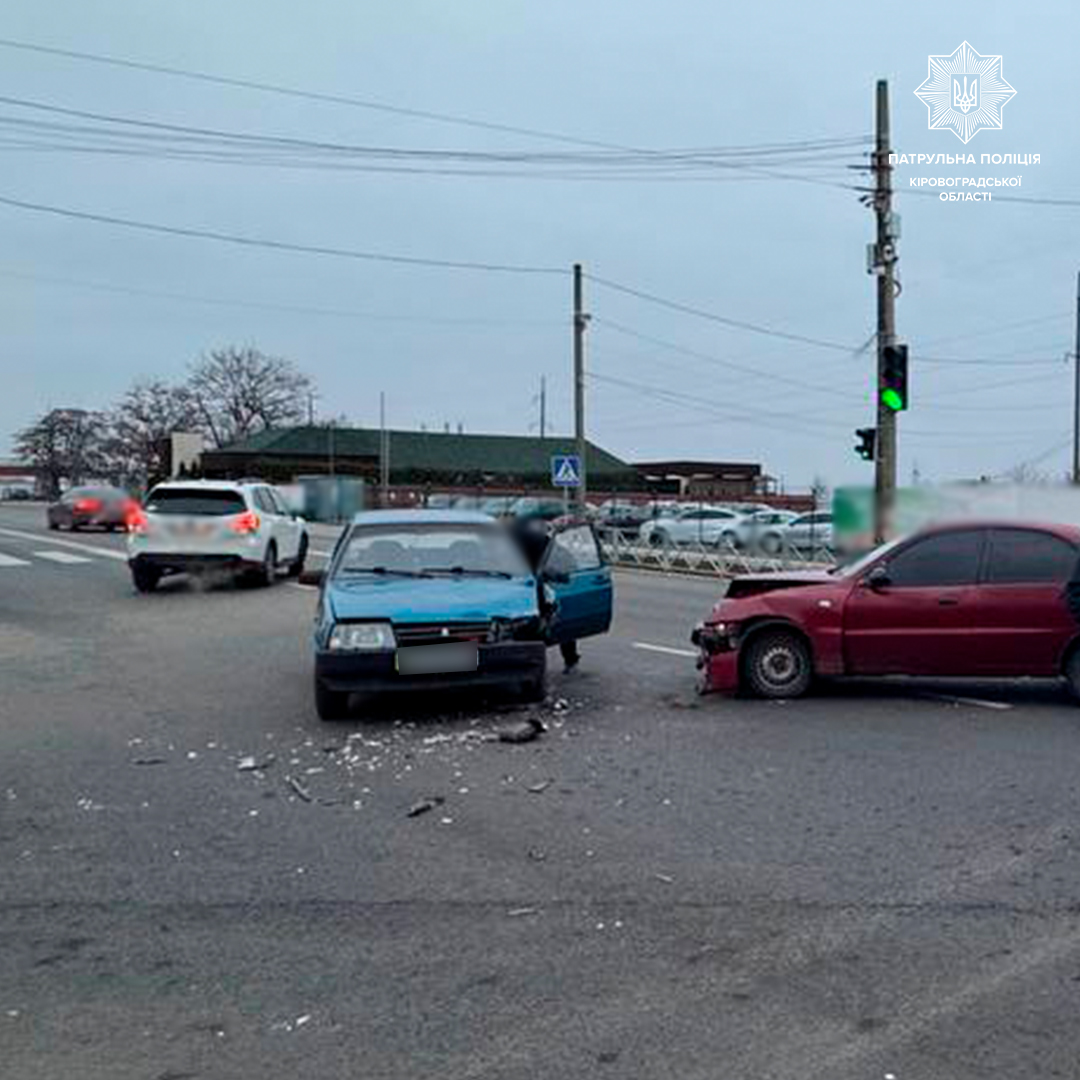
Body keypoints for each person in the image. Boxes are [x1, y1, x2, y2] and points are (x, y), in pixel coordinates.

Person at [506, 514, 581, 672]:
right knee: (554, 622)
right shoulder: (540, 539)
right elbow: (564, 562)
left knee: (523, 627)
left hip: (512, 588)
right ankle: (569, 658)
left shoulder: (501, 539)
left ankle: (524, 662)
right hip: (537, 588)